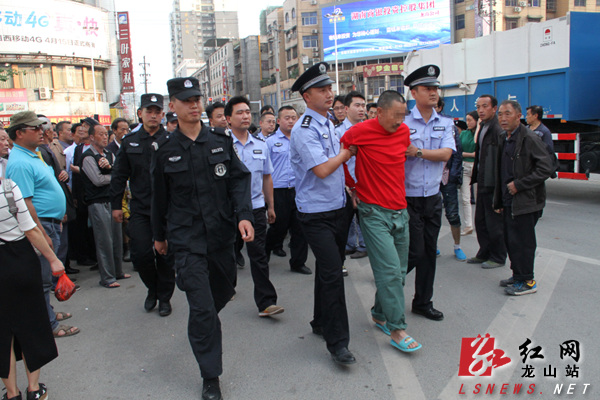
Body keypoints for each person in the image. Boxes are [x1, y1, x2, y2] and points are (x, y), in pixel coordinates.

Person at [152, 77, 254, 400]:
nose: (194, 104)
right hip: (187, 241)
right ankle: (211, 376)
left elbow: (239, 179)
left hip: (221, 237)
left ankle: (206, 315)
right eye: (186, 100)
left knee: (223, 292)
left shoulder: (220, 141)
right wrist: (159, 237)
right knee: (203, 309)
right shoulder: (164, 151)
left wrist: (244, 215)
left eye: (197, 98)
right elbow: (158, 199)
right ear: (173, 106)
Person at [340, 90, 422, 352]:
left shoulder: (403, 132)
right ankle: (397, 328)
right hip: (373, 213)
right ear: (381, 112)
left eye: (403, 116)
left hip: (400, 211)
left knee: (398, 272)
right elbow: (342, 155)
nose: (400, 121)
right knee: (387, 271)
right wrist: (352, 186)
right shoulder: (359, 132)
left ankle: (379, 311)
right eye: (396, 116)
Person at [289, 62, 357, 366]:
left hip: (338, 207)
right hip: (315, 214)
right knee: (333, 275)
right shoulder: (304, 130)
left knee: (329, 269)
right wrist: (347, 152)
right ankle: (338, 343)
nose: (329, 94)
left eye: (330, 88)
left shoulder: (327, 122)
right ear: (306, 95)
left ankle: (319, 321)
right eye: (321, 90)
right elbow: (322, 169)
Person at [5, 111, 79, 339]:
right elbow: (25, 204)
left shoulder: (33, 154)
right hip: (41, 226)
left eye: (41, 127)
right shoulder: (19, 162)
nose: (41, 131)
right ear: (19, 133)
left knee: (46, 276)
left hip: (50, 222)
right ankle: (48, 324)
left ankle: (48, 313)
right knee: (43, 278)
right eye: (34, 128)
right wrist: (40, 232)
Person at [1, 172, 66, 400]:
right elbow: (30, 229)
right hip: (20, 260)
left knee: (3, 335)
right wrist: (53, 259)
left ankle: (11, 394)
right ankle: (34, 389)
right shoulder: (8, 188)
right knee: (32, 325)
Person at [111, 94, 176, 315]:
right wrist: (116, 206)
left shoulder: (170, 141)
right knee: (141, 255)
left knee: (165, 256)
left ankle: (165, 297)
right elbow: (119, 175)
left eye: (158, 112)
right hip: (141, 208)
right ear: (140, 113)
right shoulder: (130, 142)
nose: (154, 115)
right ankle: (153, 289)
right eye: (149, 111)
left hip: (167, 210)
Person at [403, 65, 454, 321]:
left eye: (435, 88)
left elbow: (446, 154)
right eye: (427, 88)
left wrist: (418, 152)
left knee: (429, 252)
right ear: (414, 92)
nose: (433, 92)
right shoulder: (401, 122)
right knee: (414, 251)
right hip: (407, 197)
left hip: (433, 196)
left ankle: (423, 302)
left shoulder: (445, 123)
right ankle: (389, 286)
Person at [226, 96, 283, 318]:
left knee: (258, 255)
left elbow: (267, 177)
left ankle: (266, 302)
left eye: (248, 112)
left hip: (256, 208)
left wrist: (271, 206)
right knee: (228, 252)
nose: (245, 116)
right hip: (229, 210)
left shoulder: (261, 145)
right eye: (239, 112)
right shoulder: (221, 145)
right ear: (229, 119)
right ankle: (226, 287)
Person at [494, 100, 553, 295]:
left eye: (507, 114)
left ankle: (527, 281)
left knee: (524, 242)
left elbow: (546, 168)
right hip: (510, 200)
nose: (503, 118)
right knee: (512, 240)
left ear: (518, 116)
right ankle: (518, 275)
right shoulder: (506, 137)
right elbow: (503, 172)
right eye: (500, 114)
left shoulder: (529, 138)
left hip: (526, 201)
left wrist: (520, 185)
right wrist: (500, 200)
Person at [81, 123, 130, 289]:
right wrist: (115, 176)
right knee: (104, 241)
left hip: (113, 201)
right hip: (97, 202)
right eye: (100, 134)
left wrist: (111, 170)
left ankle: (118, 272)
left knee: (116, 238)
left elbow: (121, 171)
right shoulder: (88, 157)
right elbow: (98, 180)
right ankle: (107, 277)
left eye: (105, 133)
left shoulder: (109, 154)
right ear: (92, 137)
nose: (104, 137)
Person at [265, 106, 311, 275]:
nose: (291, 121)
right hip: (279, 190)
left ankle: (298, 262)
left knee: (300, 228)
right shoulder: (269, 142)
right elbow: (265, 170)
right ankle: (265, 252)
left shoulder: (303, 139)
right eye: (287, 118)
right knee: (278, 227)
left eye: (294, 117)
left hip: (299, 189)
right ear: (278, 121)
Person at [468, 95, 507, 269]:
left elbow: (501, 162)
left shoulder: (498, 129)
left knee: (494, 223)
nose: (481, 110)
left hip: (494, 184)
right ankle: (484, 252)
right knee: (481, 221)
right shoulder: (483, 126)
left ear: (494, 108)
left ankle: (498, 256)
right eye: (478, 107)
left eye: (485, 106)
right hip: (483, 181)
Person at [335, 91, 367, 260]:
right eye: (357, 105)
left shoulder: (370, 130)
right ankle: (342, 258)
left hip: (365, 186)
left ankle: (363, 246)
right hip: (345, 186)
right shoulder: (338, 132)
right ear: (347, 108)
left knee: (367, 224)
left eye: (363, 105)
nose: (361, 109)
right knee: (342, 225)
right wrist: (349, 187)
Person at [435, 99, 466, 261]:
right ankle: (432, 246)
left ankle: (457, 246)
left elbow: (457, 153)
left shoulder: (449, 126)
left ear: (440, 107)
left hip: (448, 177)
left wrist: (454, 176)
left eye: (435, 106)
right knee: (431, 214)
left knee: (453, 213)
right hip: (431, 178)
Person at [460, 111, 478, 235]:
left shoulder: (480, 133)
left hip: (477, 167)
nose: (468, 122)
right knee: (466, 199)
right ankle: (468, 225)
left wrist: (479, 127)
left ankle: (480, 224)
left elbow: (477, 146)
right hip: (465, 167)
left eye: (470, 119)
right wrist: (470, 154)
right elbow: (458, 151)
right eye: (467, 120)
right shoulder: (464, 133)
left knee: (481, 199)